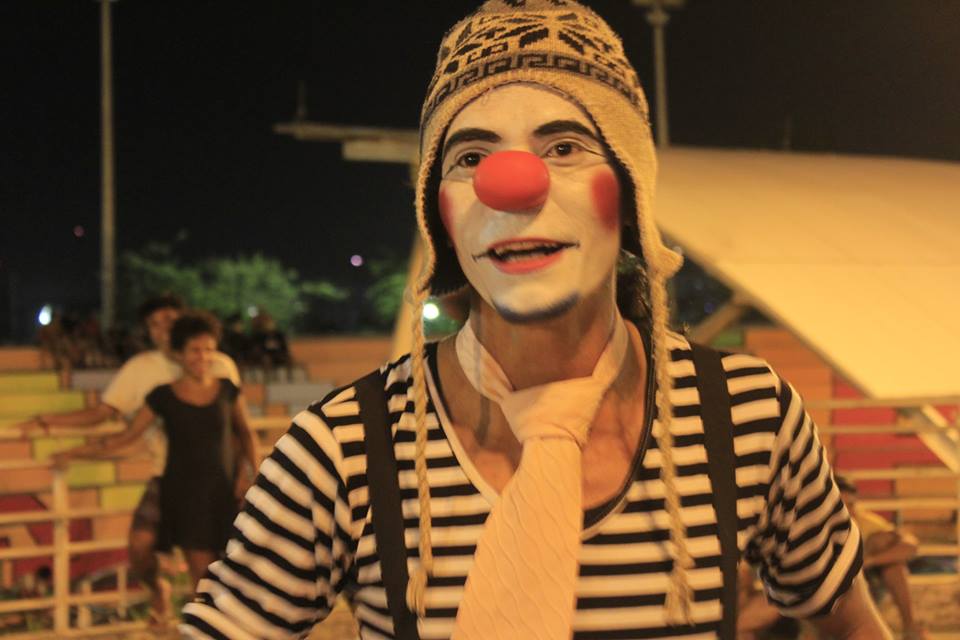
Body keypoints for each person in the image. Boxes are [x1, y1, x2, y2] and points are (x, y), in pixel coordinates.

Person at [181, 2, 889, 638]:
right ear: (440, 215)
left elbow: (852, 624)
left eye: (564, 146)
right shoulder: (341, 448)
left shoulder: (750, 416)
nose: (511, 185)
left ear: (631, 191)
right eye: (471, 156)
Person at [15, 294, 242, 623]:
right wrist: (45, 423)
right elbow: (106, 415)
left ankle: (216, 624)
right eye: (154, 324)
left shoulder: (219, 366)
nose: (163, 329)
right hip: (168, 475)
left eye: (169, 320)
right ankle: (160, 592)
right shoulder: (143, 371)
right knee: (142, 545)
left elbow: (236, 427)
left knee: (215, 563)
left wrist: (243, 472)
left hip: (216, 480)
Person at [53, 312, 259, 594]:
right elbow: (126, 436)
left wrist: (251, 474)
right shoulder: (163, 396)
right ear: (179, 354)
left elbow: (246, 434)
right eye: (195, 350)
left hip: (225, 491)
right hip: (186, 497)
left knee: (241, 573)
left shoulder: (227, 389)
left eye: (209, 349)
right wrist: (74, 453)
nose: (202, 357)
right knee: (204, 578)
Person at [836, 475, 929, 639]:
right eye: (843, 505)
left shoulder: (864, 521)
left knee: (889, 555)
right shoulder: (821, 526)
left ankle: (910, 626)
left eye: (851, 504)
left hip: (867, 581)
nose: (849, 510)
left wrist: (869, 561)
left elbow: (910, 546)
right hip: (835, 586)